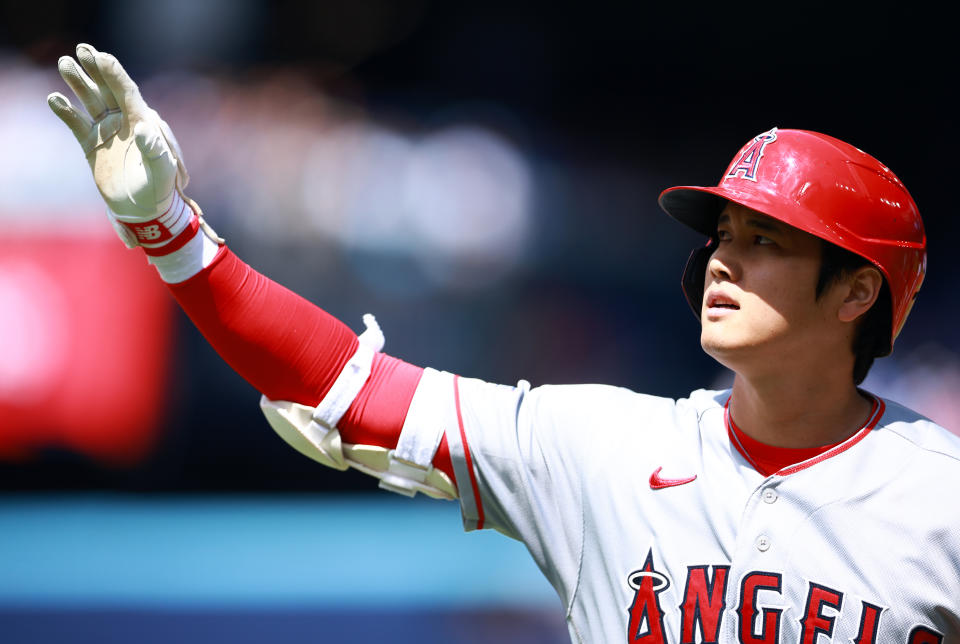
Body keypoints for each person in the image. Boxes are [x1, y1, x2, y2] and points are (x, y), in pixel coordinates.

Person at [48, 44, 960, 643]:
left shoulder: (940, 500)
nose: (722, 260)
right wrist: (169, 229)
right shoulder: (605, 448)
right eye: (720, 236)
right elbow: (343, 384)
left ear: (857, 292)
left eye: (766, 241)